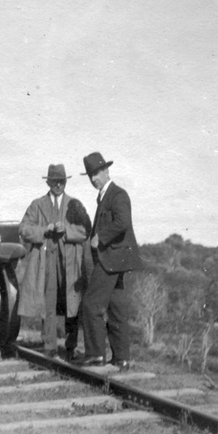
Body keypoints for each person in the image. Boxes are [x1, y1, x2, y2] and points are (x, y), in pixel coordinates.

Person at [75, 152, 141, 370]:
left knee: (91, 305)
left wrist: (99, 237)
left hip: (111, 259)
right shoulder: (106, 195)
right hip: (115, 259)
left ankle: (95, 355)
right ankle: (121, 358)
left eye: (96, 173)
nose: (94, 179)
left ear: (106, 171)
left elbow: (123, 223)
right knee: (116, 309)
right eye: (90, 176)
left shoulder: (117, 194)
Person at [18, 164, 90, 361]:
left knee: (71, 303)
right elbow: (24, 229)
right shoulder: (37, 204)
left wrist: (66, 229)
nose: (58, 185)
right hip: (45, 261)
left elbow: (85, 230)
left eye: (62, 181)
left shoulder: (74, 204)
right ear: (48, 182)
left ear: (65, 182)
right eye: (55, 182)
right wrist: (45, 229)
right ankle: (49, 347)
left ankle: (71, 346)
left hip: (69, 263)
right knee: (48, 304)